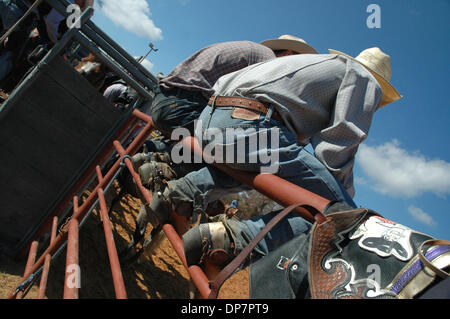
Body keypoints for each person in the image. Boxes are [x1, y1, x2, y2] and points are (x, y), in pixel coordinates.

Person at [148, 46, 402, 266]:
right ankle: (237, 238)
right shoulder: (363, 78)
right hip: (250, 125)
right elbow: (340, 141)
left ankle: (181, 191)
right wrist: (339, 195)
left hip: (210, 119)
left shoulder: (318, 65)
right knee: (342, 214)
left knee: (262, 165)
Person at [148, 35, 317, 138]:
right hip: (185, 106)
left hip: (167, 99)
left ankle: (156, 153)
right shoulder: (269, 62)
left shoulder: (254, 50)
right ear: (288, 54)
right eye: (295, 61)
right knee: (250, 153)